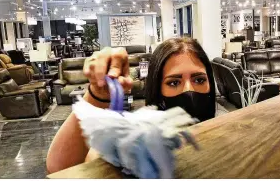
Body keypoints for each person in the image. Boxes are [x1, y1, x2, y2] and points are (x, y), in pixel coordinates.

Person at [46, 37, 217, 174]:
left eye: (199, 79)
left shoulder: (225, 130)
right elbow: (60, 168)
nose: (189, 89)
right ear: (157, 88)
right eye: (173, 83)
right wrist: (97, 95)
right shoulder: (140, 142)